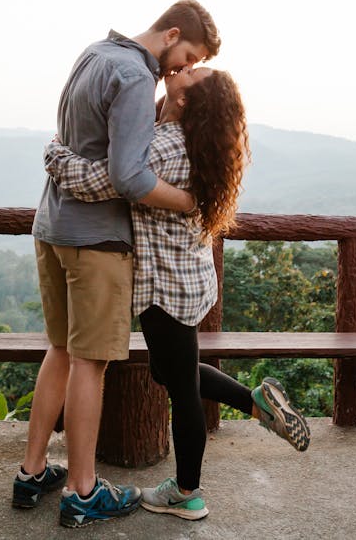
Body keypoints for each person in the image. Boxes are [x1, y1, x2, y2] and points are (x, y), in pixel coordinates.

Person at [44, 65, 311, 522]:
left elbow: (96, 182)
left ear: (188, 101)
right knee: (172, 372)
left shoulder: (167, 147)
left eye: (195, 72)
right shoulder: (185, 136)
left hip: (165, 287)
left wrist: (54, 153)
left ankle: (187, 492)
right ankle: (257, 402)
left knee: (181, 388)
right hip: (188, 280)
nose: (187, 66)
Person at [12, 0, 221, 529]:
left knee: (59, 350)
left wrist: (57, 157)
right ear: (173, 33)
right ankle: (82, 492)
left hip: (52, 225)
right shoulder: (135, 77)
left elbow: (80, 141)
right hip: (98, 240)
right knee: (90, 363)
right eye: (188, 56)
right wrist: (191, 202)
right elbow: (128, 177)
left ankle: (31, 471)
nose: (181, 69)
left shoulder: (95, 53)